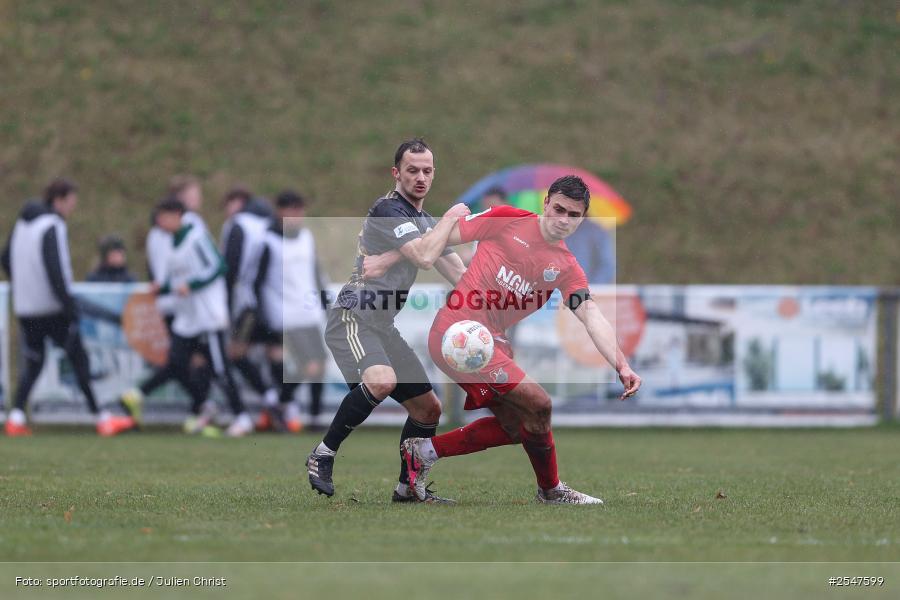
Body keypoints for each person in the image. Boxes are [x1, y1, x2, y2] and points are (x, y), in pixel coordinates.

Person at [394, 175, 642, 504]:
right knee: (540, 404)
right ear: (545, 203)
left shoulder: (566, 267)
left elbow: (591, 315)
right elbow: (440, 240)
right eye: (559, 209)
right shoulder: (506, 219)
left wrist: (621, 364)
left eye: (574, 216)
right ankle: (551, 490)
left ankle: (423, 452)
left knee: (516, 425)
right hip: (458, 333)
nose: (563, 220)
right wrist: (443, 224)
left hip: (490, 343)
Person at [305, 138, 470, 502]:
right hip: (354, 314)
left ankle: (409, 488)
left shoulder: (425, 222)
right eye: (412, 170)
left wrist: (499, 290)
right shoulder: (388, 209)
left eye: (427, 171)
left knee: (428, 409)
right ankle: (322, 454)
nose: (420, 177)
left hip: (381, 325)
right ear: (396, 173)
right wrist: (449, 221)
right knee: (382, 381)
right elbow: (426, 256)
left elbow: (460, 273)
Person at [1, 178, 137, 436]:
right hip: (52, 307)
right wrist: (68, 305)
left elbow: (5, 258)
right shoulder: (53, 225)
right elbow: (55, 269)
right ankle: (102, 418)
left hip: (26, 307)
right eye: (71, 201)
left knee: (34, 362)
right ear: (59, 200)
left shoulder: (21, 224)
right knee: (78, 358)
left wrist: (23, 286)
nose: (72, 208)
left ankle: (16, 417)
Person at [128, 198, 254, 437]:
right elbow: (179, 282)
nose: (160, 223)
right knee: (176, 361)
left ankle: (242, 416)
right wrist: (162, 288)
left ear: (177, 215)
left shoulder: (196, 237)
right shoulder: (172, 245)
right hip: (188, 317)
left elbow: (218, 267)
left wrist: (193, 285)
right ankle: (203, 409)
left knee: (219, 367)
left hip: (208, 314)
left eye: (164, 216)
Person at [123, 176, 211, 424]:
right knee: (189, 360)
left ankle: (198, 409)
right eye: (194, 194)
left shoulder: (155, 233)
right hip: (186, 304)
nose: (199, 199)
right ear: (181, 199)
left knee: (185, 360)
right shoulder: (188, 226)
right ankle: (198, 409)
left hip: (172, 303)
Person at [239, 190, 329, 432]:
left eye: (299, 210)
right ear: (279, 211)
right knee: (309, 364)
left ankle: (307, 413)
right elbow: (254, 281)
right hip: (284, 313)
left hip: (307, 312)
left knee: (319, 364)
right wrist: (261, 312)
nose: (296, 215)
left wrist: (325, 302)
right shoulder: (267, 242)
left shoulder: (307, 237)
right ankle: (292, 407)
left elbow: (315, 273)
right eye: (290, 210)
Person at [219, 188, 278, 414]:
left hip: (245, 303)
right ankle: (279, 402)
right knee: (272, 352)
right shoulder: (268, 226)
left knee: (235, 353)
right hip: (267, 301)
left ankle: (272, 399)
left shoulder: (239, 225)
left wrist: (224, 301)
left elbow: (230, 267)